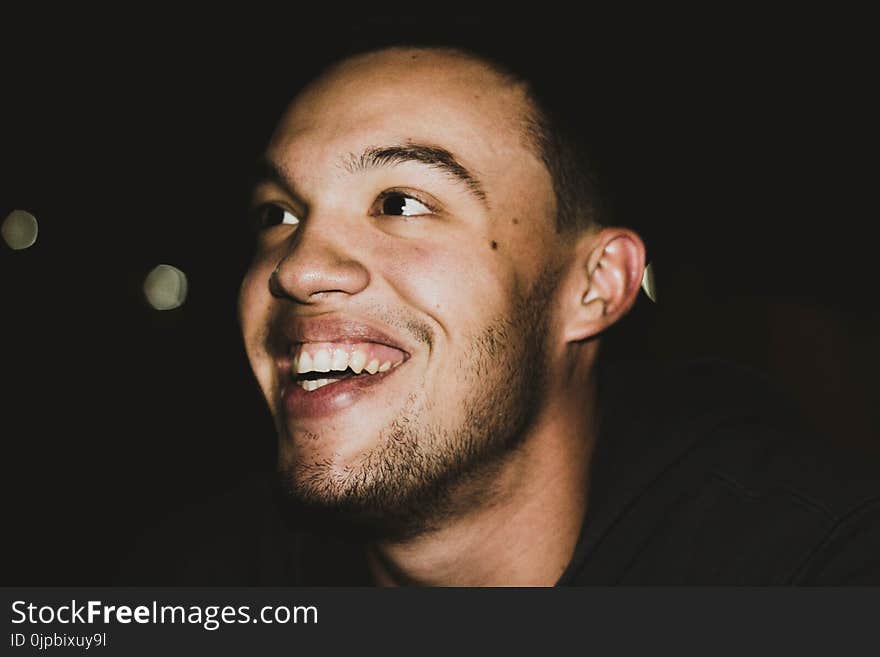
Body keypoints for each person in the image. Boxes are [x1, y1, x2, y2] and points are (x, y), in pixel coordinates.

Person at [122, 36, 880, 586]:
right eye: (277, 215)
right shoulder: (179, 584)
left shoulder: (813, 567)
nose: (297, 266)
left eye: (401, 202)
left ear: (595, 286)